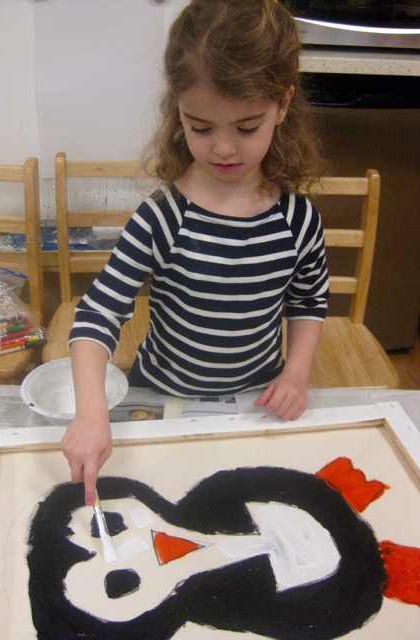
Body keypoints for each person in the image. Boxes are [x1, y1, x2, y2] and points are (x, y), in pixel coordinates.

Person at [62, 0, 329, 505]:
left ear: (283, 105)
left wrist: (295, 375)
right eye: (200, 127)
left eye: (246, 128)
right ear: (177, 109)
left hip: (255, 403)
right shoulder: (163, 218)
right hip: (162, 397)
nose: (223, 149)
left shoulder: (298, 221)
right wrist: (91, 413)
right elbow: (98, 313)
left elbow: (309, 301)